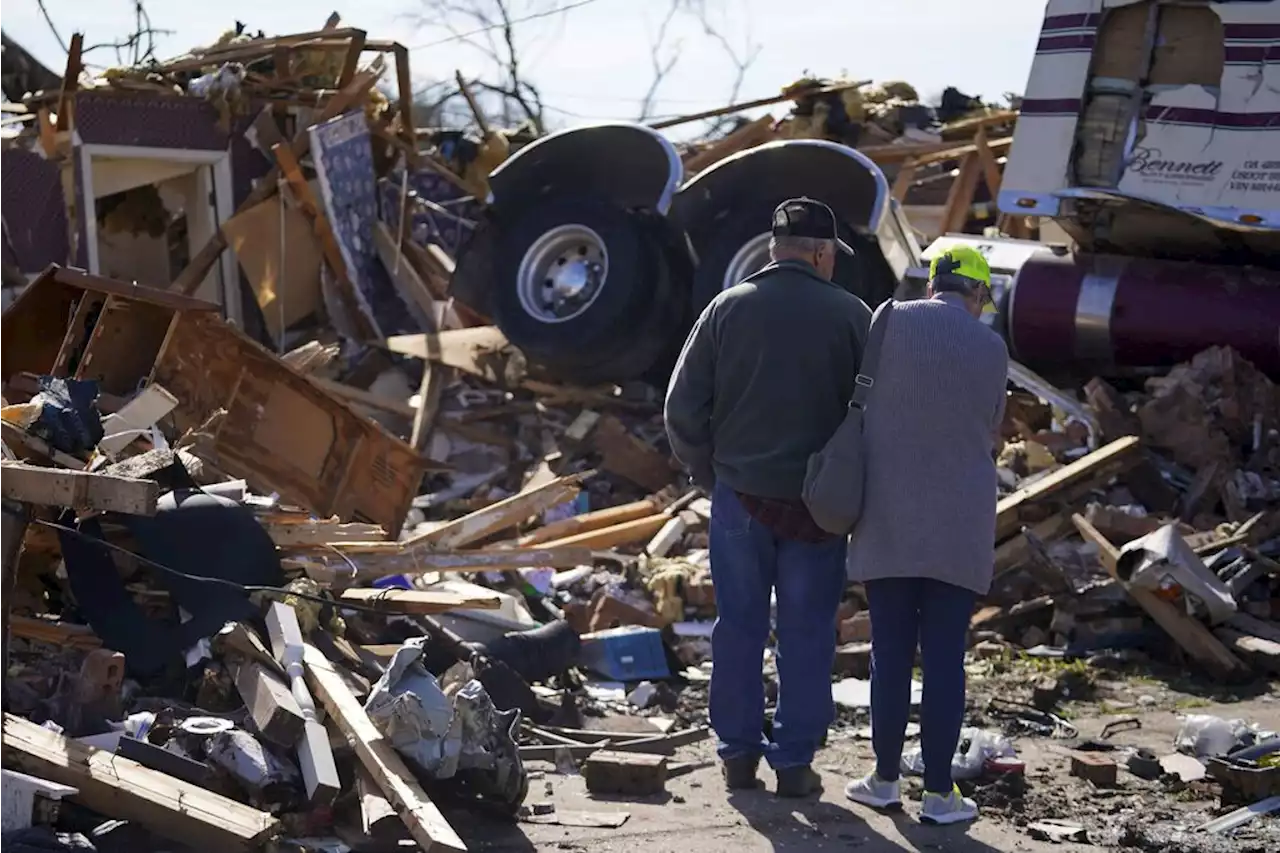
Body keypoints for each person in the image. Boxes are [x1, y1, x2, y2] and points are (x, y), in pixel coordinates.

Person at [665, 198, 871, 797]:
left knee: (739, 627)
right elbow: (874, 419)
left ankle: (736, 755)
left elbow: (682, 409)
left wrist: (710, 473)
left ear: (775, 249)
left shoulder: (726, 308)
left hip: (739, 498)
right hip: (818, 510)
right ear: (821, 253)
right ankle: (794, 763)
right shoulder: (853, 316)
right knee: (807, 631)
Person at [843, 245, 1009, 824]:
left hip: (886, 516)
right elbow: (992, 428)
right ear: (979, 295)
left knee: (888, 653)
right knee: (944, 660)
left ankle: (884, 780)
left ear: (933, 282)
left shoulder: (885, 319)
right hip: (959, 524)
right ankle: (940, 793)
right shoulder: (992, 347)